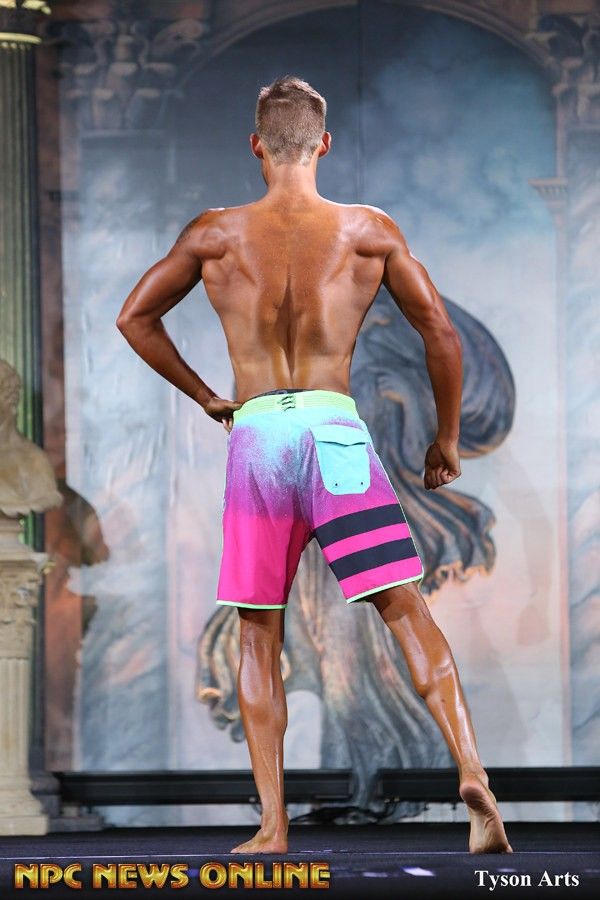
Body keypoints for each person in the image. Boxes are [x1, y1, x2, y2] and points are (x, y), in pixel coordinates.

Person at [116, 75, 512, 855]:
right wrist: (445, 440)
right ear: (323, 145)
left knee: (259, 634)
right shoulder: (368, 231)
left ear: (256, 145)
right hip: (334, 433)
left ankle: (272, 826)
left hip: (260, 438)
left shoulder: (215, 234)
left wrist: (206, 395)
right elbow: (440, 333)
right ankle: (473, 775)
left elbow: (135, 317)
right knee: (406, 610)